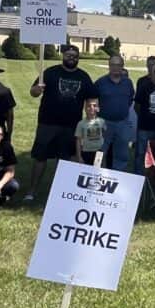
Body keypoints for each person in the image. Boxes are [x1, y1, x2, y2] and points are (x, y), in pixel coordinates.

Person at [26, 45, 96, 201]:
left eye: (74, 56)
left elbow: (91, 99)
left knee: (65, 160)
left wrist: (90, 118)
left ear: (78, 58)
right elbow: (33, 93)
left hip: (70, 126)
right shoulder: (50, 73)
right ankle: (31, 191)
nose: (71, 58)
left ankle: (60, 192)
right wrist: (37, 89)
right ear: (63, 55)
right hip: (47, 123)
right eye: (68, 55)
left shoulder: (83, 77)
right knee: (40, 157)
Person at [94, 55, 136, 171]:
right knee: (100, 151)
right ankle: (97, 173)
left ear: (122, 66)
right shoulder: (100, 82)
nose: (115, 67)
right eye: (113, 64)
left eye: (118, 65)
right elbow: (92, 100)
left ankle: (117, 176)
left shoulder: (128, 83)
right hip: (104, 123)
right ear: (109, 66)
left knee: (121, 154)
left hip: (122, 123)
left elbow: (129, 99)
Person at [74, 98, 106, 165]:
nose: (91, 108)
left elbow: (104, 134)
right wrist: (79, 156)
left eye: (94, 105)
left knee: (97, 171)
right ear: (85, 108)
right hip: (86, 152)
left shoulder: (102, 121)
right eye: (89, 106)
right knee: (86, 171)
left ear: (98, 108)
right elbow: (78, 140)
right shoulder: (81, 124)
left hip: (98, 152)